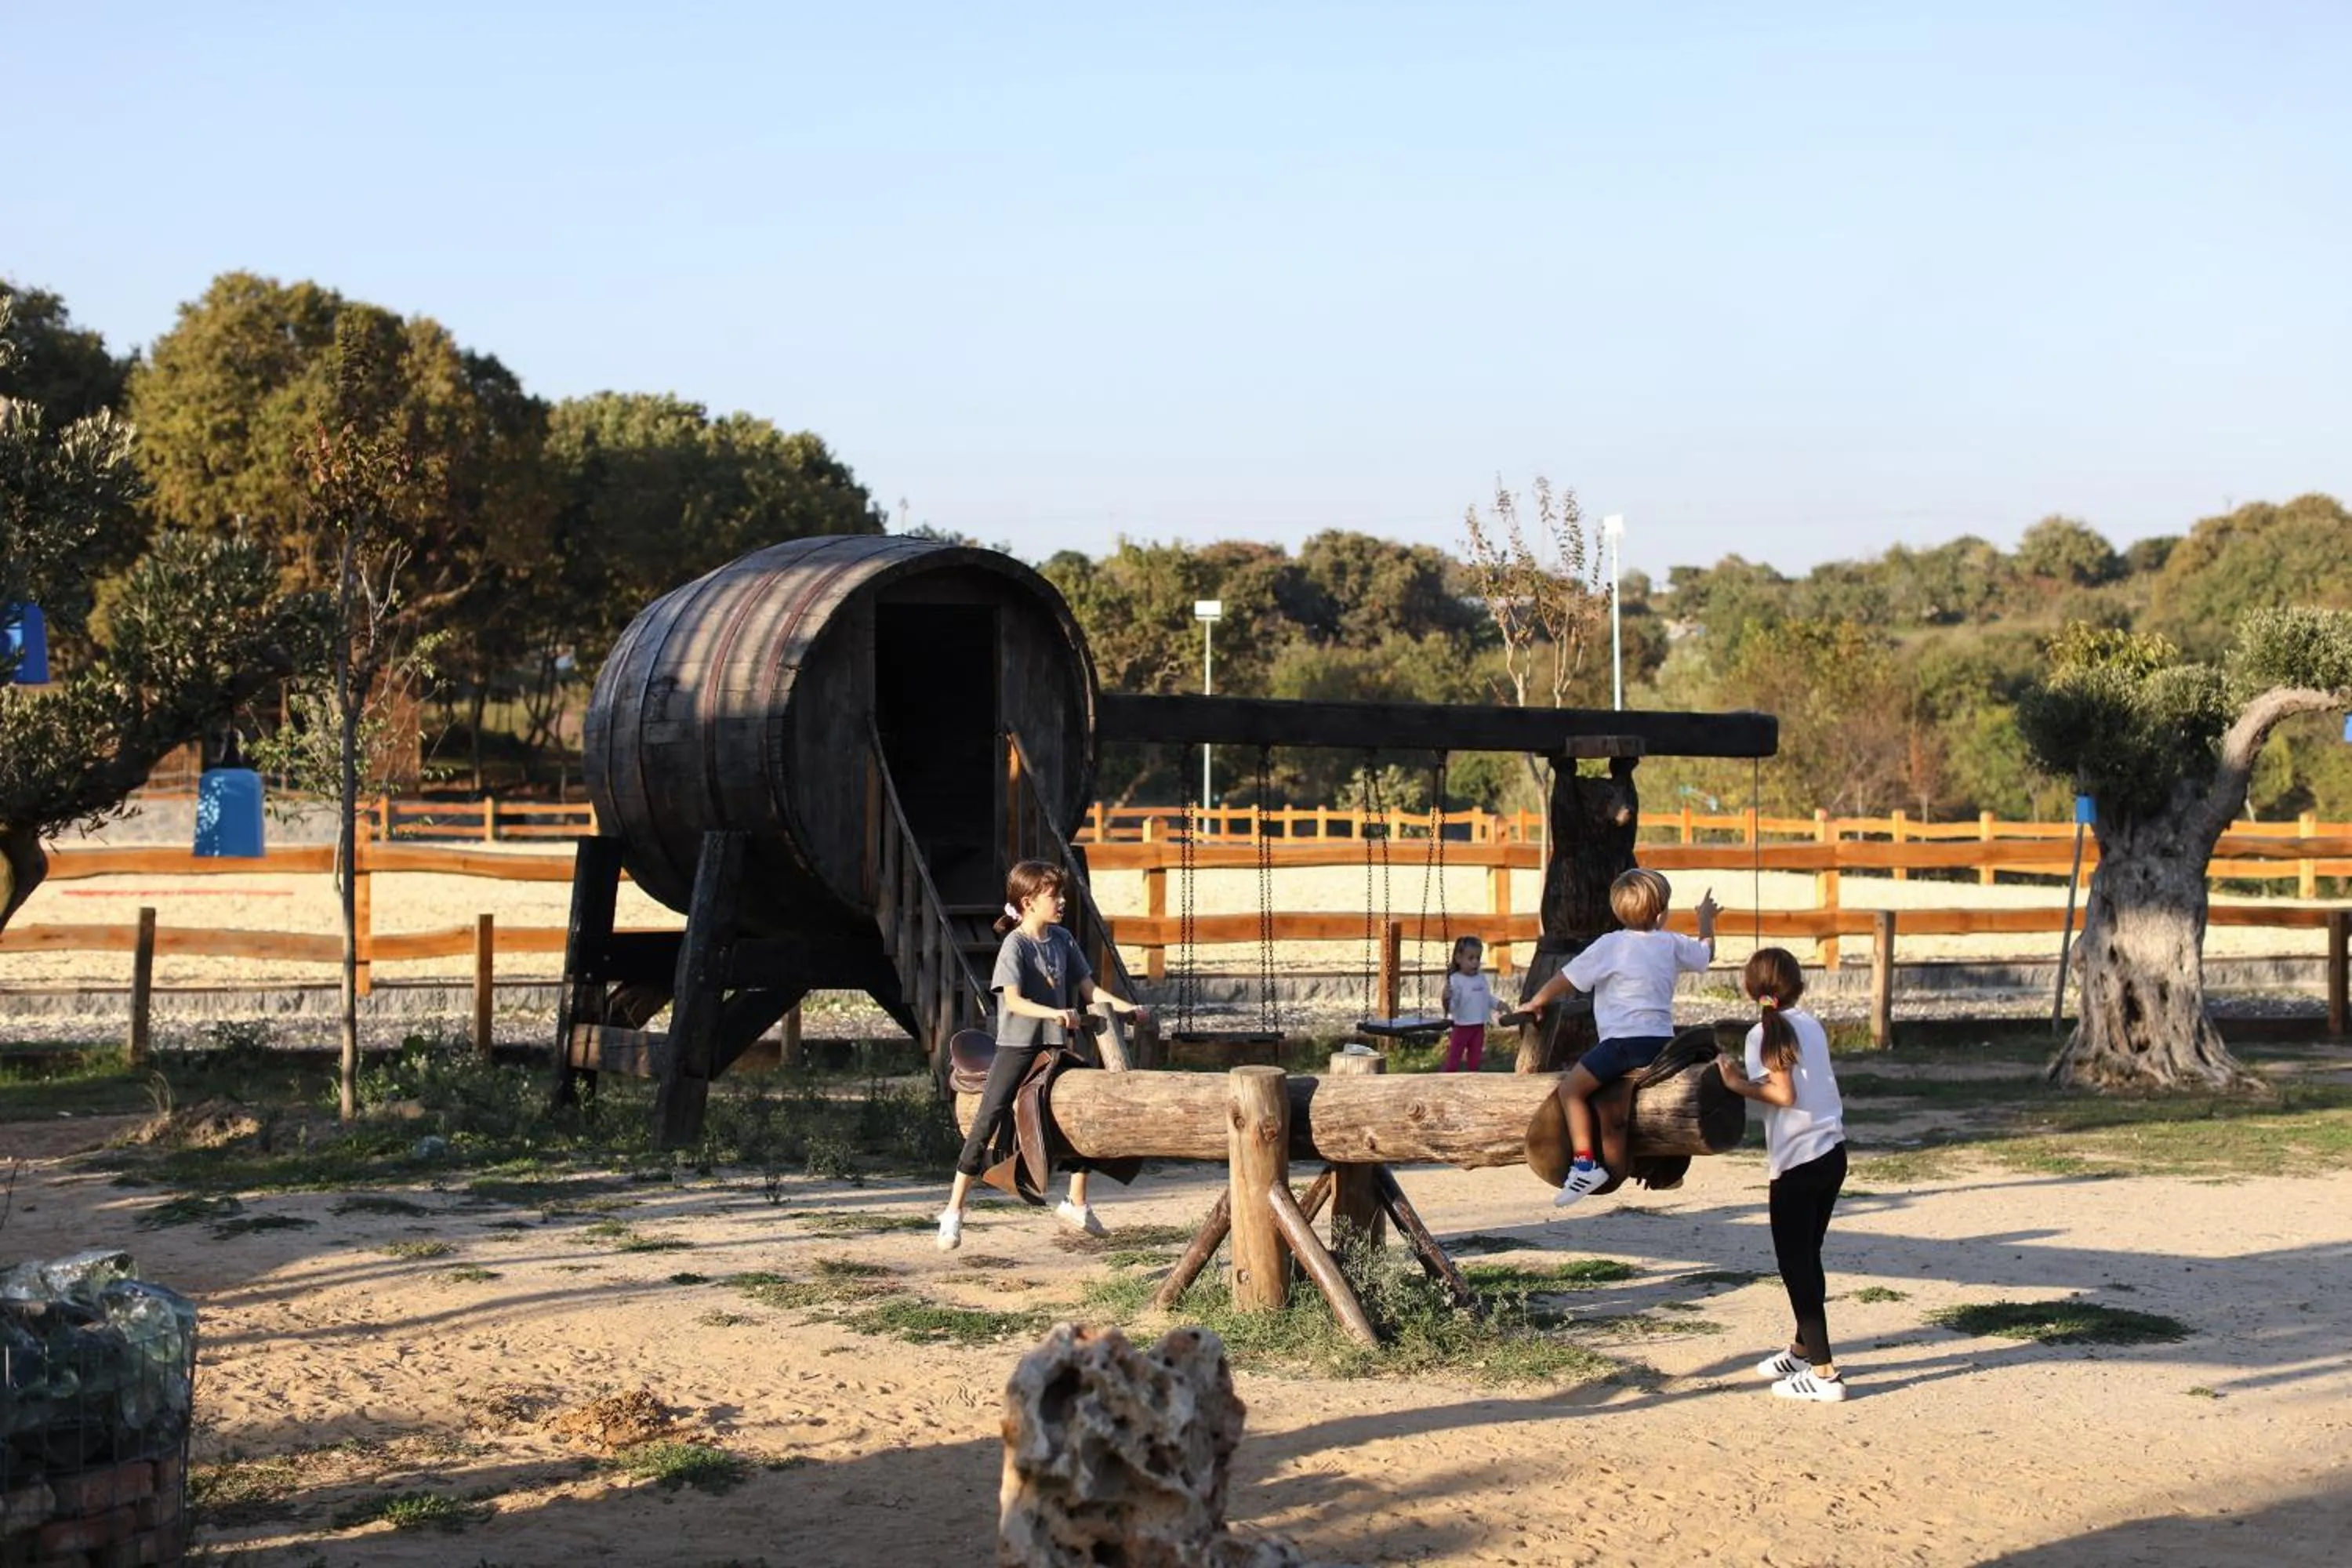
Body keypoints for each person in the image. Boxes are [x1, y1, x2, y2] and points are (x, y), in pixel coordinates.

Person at [938, 860, 1145, 1252]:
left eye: (1061, 893)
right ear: (1030, 902)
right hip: (1019, 1047)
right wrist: (1053, 1013)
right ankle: (953, 1211)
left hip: (1054, 1048)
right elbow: (1013, 1000)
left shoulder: (1064, 939)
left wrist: (1127, 1008)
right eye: (1055, 895)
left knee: (1092, 1106)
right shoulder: (1015, 945)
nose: (1062, 901)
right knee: (987, 1119)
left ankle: (1077, 1202)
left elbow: (1090, 991)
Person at [1523, 869, 1718, 1207]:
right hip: (1662, 1045)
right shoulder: (1671, 942)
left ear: (1618, 912)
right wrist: (1705, 920)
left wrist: (1538, 1000)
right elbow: (1706, 954)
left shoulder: (1611, 945)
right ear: (1661, 914)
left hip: (1622, 1044)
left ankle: (1585, 1164)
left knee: (1571, 1090)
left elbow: (1567, 978)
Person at [1717, 946, 1850, 1403]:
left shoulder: (1762, 1033)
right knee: (1808, 1258)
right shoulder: (1810, 1024)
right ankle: (1801, 1350)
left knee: (1797, 1267)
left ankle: (1824, 1374)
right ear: (1799, 983)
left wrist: (1736, 1085)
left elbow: (1784, 1093)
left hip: (1798, 1162)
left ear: (1750, 989)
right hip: (1833, 1153)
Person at [1439, 935, 1494, 1073]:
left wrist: (1499, 1004)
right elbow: (1453, 1007)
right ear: (1459, 959)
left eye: (1478, 958)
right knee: (1454, 1058)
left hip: (1478, 1026)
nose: (1475, 962)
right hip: (1462, 1026)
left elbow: (1486, 998)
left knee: (1475, 1059)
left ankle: (1473, 1079)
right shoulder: (1455, 980)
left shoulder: (1480, 978)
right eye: (1471, 958)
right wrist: (1447, 999)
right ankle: (1446, 1079)